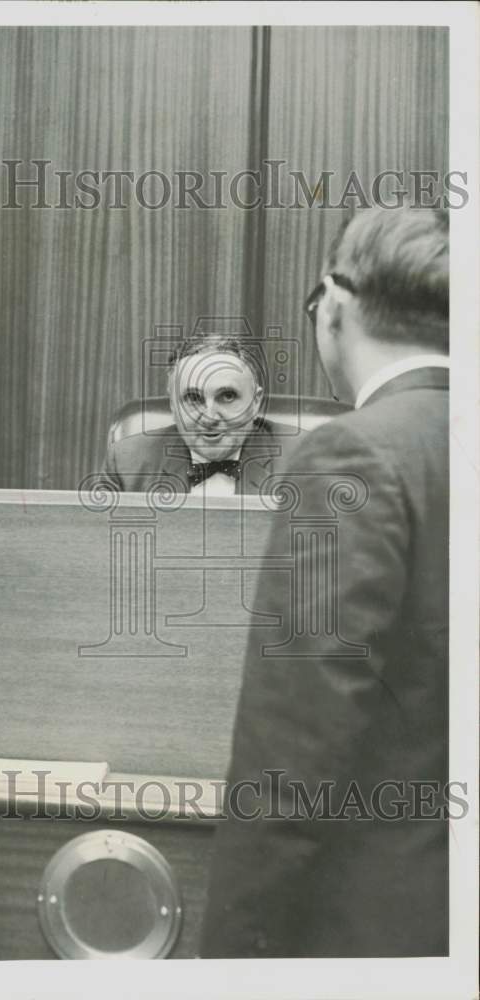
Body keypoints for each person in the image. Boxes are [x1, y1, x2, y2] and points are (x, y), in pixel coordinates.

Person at [200, 206, 449, 957]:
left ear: (333, 305)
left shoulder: (354, 455)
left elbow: (293, 754)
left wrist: (232, 955)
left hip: (379, 928)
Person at [103, 337, 280, 495]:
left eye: (227, 396)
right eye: (193, 398)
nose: (209, 418)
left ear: (256, 402)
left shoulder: (301, 461)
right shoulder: (126, 463)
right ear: (173, 405)